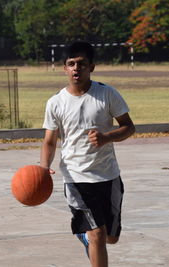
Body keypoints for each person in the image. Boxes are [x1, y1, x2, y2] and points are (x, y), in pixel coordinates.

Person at [40, 41, 135, 267]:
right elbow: (49, 141)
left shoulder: (107, 94)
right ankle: (89, 236)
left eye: (81, 64)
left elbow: (128, 127)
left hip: (108, 175)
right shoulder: (56, 102)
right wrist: (44, 167)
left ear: (91, 67)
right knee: (98, 235)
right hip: (76, 178)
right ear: (64, 68)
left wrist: (107, 137)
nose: (76, 68)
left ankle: (84, 236)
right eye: (71, 64)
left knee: (111, 237)